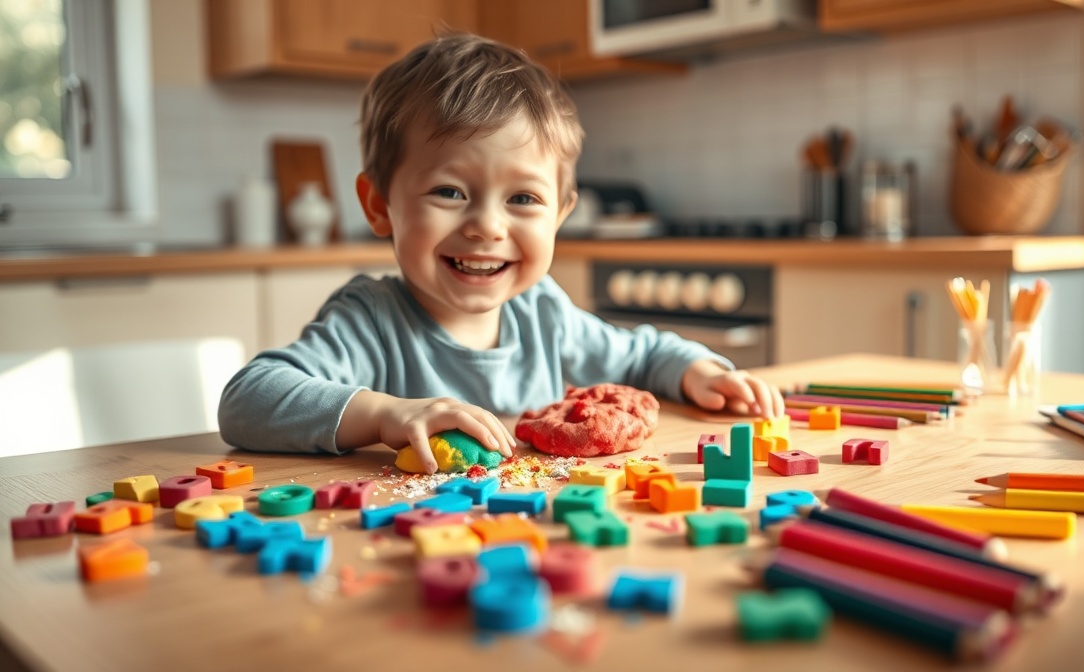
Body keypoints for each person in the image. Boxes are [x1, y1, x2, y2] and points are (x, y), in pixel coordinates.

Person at [218, 33, 785, 474]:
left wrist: (697, 370)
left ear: (561, 215)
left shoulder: (543, 311)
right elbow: (248, 399)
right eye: (449, 192)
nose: (487, 226)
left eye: (522, 198)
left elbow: (639, 355)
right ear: (380, 206)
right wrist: (390, 415)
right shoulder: (369, 320)